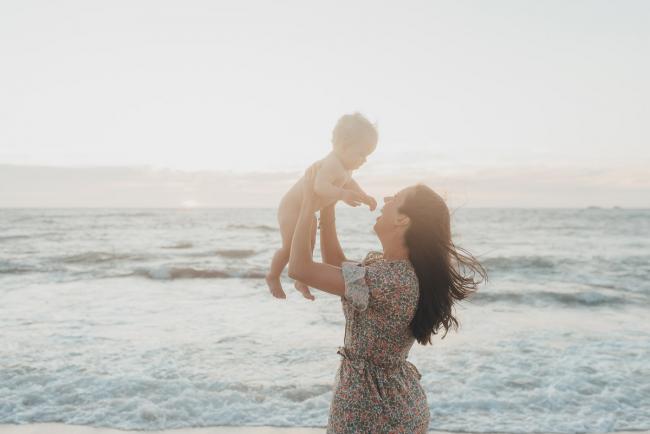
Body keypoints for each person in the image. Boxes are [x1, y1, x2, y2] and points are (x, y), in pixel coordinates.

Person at [288, 165, 487, 433]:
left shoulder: (391, 279)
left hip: (373, 411)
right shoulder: (395, 271)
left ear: (403, 220)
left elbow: (300, 268)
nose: (385, 200)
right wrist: (327, 208)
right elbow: (335, 266)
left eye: (395, 198)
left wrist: (307, 207)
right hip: (390, 402)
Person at [266, 112, 378, 300]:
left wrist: (364, 197)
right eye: (362, 154)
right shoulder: (331, 164)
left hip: (307, 210)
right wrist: (342, 195)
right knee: (289, 248)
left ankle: (301, 280)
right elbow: (319, 186)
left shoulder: (346, 167)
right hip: (292, 208)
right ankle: (272, 275)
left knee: (307, 246)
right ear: (343, 146)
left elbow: (350, 184)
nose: (364, 160)